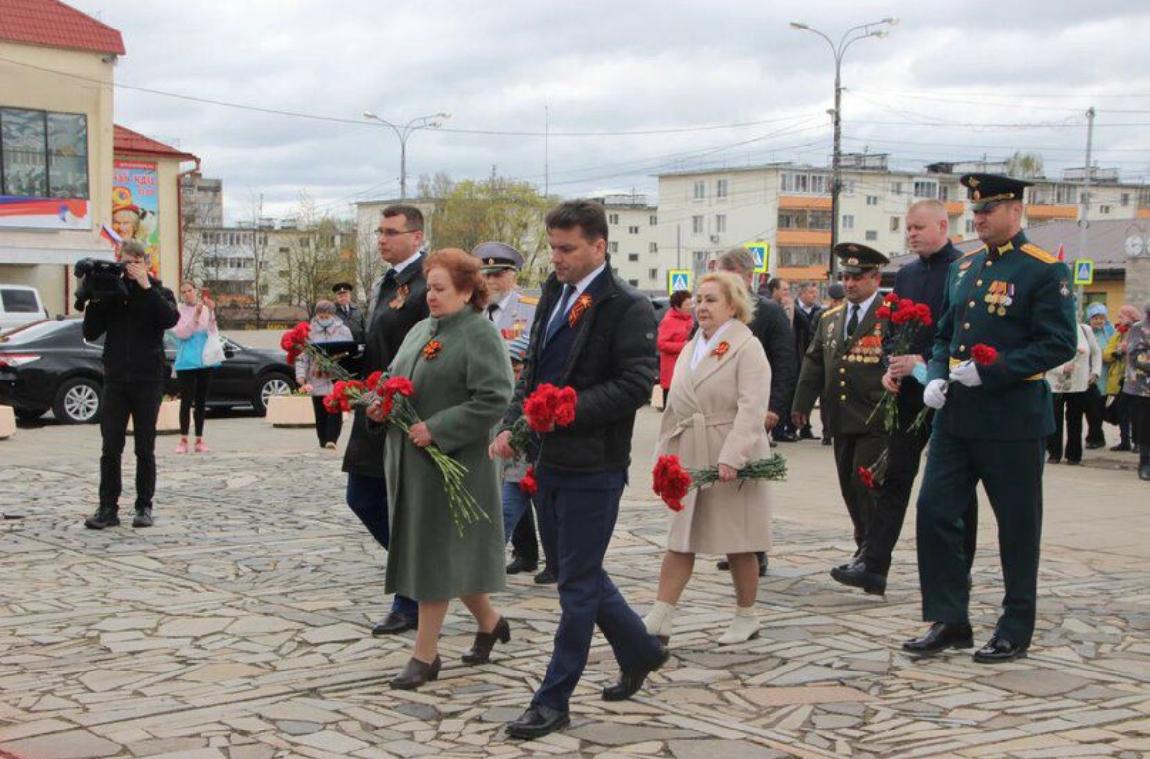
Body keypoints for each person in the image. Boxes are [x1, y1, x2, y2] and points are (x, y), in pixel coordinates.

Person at [491, 200, 667, 740]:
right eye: (553, 248)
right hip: (547, 459)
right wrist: (516, 421)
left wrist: (569, 407)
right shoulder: (551, 292)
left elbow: (638, 384)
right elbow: (534, 367)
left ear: (599, 246)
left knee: (577, 586)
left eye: (567, 249)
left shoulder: (626, 305)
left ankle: (553, 698)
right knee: (577, 571)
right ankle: (639, 651)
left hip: (595, 465)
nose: (557, 258)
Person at [905, 174, 1076, 663]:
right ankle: (950, 618)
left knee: (1017, 527)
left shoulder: (1044, 271)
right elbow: (944, 335)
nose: (978, 219)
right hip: (957, 418)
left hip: (1012, 420)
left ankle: (1015, 624)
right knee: (935, 512)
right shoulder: (965, 269)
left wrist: (994, 370)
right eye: (974, 212)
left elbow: (1058, 343)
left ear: (1016, 212)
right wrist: (935, 374)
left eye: (988, 210)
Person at [368, 248, 515, 690]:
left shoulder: (479, 334)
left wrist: (437, 428)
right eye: (428, 288)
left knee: (433, 557)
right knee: (446, 555)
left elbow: (494, 396)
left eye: (439, 289)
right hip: (413, 464)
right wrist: (377, 402)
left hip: (455, 464)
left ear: (468, 290)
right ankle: (490, 622)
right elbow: (394, 377)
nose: (430, 296)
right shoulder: (419, 329)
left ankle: (425, 655)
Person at [850, 201, 979, 597]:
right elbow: (891, 326)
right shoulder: (905, 275)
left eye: (919, 227)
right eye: (908, 228)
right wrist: (892, 364)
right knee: (895, 476)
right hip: (907, 393)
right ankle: (874, 565)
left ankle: (960, 567)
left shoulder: (964, 270)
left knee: (957, 486)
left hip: (948, 391)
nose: (912, 234)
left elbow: (964, 332)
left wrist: (924, 364)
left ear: (944, 226)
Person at [645, 272, 772, 646]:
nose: (701, 307)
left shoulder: (747, 347)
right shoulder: (692, 345)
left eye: (711, 299)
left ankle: (746, 615)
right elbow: (675, 407)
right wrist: (662, 458)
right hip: (691, 452)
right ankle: (660, 614)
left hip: (730, 451)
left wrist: (734, 456)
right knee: (680, 537)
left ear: (733, 305)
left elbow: (753, 407)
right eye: (699, 299)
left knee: (739, 540)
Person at [342, 205, 429, 636]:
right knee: (362, 496)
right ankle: (421, 575)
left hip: (404, 408)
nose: (381, 239)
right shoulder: (388, 282)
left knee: (403, 507)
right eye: (379, 231)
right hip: (374, 405)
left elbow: (429, 346)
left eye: (391, 232)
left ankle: (411, 596)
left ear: (416, 237)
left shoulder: (426, 282)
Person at [792, 243, 890, 587]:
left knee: (866, 485)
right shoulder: (830, 318)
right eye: (845, 277)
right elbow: (814, 361)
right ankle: (864, 549)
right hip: (839, 418)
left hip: (876, 419)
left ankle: (871, 556)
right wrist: (801, 404)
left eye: (857, 277)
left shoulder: (890, 314)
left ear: (875, 278)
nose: (849, 284)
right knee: (848, 486)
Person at [81, 241, 179, 529]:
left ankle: (143, 506)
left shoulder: (159, 291)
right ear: (119, 261)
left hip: (148, 379)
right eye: (127, 262)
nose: (131, 266)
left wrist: (146, 286)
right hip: (115, 378)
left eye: (137, 261)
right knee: (110, 446)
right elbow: (91, 331)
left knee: (144, 448)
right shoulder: (110, 292)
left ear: (145, 262)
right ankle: (107, 508)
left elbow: (169, 319)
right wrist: (96, 299)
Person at [471, 241, 552, 583]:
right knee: (505, 480)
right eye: (485, 274)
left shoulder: (530, 307)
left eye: (499, 273)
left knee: (525, 484)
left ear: (514, 275)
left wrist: (493, 353)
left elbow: (533, 345)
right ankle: (525, 552)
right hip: (488, 407)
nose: (491, 280)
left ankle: (554, 558)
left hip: (523, 405)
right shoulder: (473, 309)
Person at [714, 247, 796, 576]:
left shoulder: (768, 312)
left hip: (755, 410)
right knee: (725, 483)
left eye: (730, 274)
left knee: (750, 484)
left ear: (749, 277)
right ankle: (735, 547)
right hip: (720, 413)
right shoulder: (717, 309)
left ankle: (755, 550)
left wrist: (776, 406)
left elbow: (785, 361)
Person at [297, 300, 355, 450]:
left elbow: (351, 354)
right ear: (316, 316)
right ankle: (323, 440)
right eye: (321, 316)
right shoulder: (309, 332)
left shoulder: (343, 331)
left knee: (335, 409)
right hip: (316, 378)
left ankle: (332, 440)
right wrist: (301, 378)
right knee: (320, 412)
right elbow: (302, 358)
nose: (324, 319)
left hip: (335, 378)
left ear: (332, 315)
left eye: (326, 316)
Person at [172, 281, 221, 454]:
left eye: (189, 290)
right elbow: (182, 334)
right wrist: (195, 317)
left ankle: (199, 439)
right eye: (183, 291)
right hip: (186, 362)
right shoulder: (177, 310)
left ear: (196, 291)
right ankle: (183, 439)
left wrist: (212, 311)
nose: (187, 294)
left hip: (204, 360)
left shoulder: (205, 309)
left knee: (201, 401)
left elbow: (212, 331)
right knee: (186, 401)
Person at [1044, 319, 1101, 465]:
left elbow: (1095, 352)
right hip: (1055, 383)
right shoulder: (1049, 328)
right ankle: (1054, 453)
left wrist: (1095, 372)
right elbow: (1043, 356)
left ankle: (1074, 455)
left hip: (1079, 384)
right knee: (1054, 418)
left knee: (1075, 419)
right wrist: (1061, 369)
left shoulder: (1085, 330)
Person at [1106, 305, 1143, 452]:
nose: (1119, 320)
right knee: (1122, 410)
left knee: (1137, 412)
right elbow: (1107, 352)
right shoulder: (1118, 333)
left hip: (1137, 378)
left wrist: (1130, 349)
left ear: (1131, 317)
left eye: (1122, 316)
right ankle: (1125, 441)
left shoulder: (1141, 330)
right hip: (1121, 378)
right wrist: (1117, 351)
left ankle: (1139, 443)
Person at [1121, 303, 1150, 479]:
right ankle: (1145, 463)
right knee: (1145, 427)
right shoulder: (1139, 328)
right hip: (1143, 389)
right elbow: (1136, 355)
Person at [792, 281, 824, 439]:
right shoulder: (792, 308)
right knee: (797, 392)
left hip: (813, 357)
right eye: (811, 292)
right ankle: (791, 427)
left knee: (810, 393)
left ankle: (806, 427)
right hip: (796, 355)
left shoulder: (820, 312)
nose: (814, 295)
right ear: (801, 294)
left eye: (815, 292)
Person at [656, 289, 693, 409]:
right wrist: (683, 346)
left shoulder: (691, 320)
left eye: (691, 303)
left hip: (687, 369)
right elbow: (661, 343)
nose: (690, 307)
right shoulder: (668, 321)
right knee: (671, 411)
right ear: (677, 306)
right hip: (672, 370)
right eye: (687, 305)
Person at [1084, 303, 1114, 449]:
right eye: (1095, 318)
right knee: (1092, 409)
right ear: (1089, 319)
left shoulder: (1109, 332)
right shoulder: (1086, 332)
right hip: (1090, 377)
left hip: (1106, 377)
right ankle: (1095, 436)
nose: (1098, 321)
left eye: (1101, 318)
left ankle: (1096, 437)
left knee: (1100, 409)